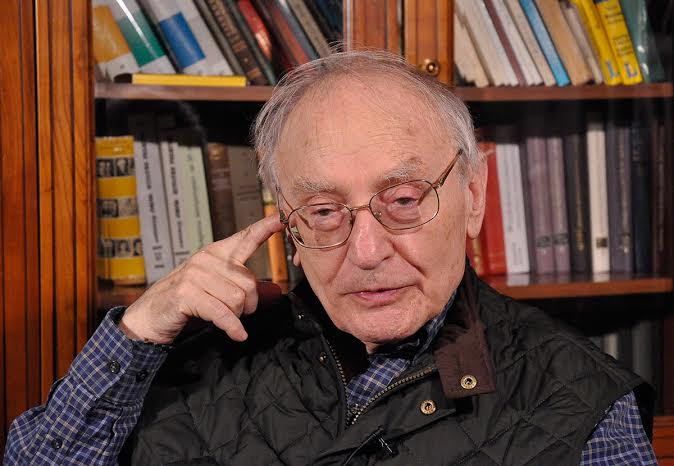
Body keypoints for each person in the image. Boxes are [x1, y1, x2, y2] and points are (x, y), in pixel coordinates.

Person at [5, 50, 656, 465]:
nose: (366, 252)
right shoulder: (188, 363)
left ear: (474, 196)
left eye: (403, 200)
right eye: (323, 212)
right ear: (287, 223)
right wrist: (137, 334)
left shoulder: (580, 396)